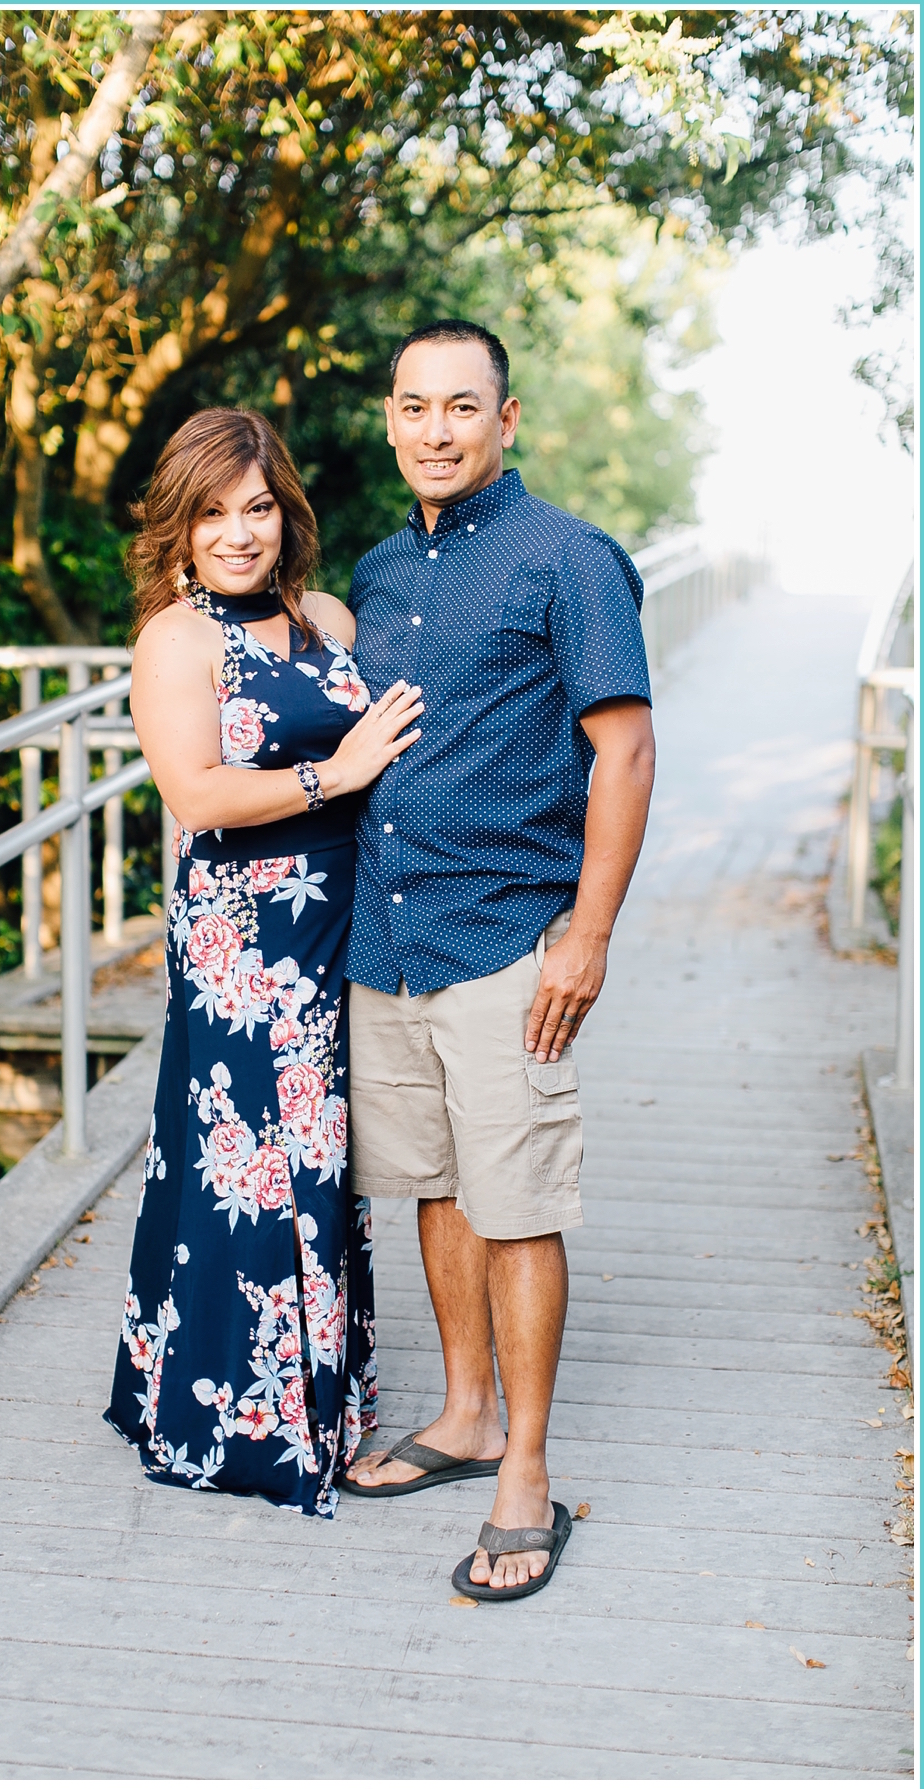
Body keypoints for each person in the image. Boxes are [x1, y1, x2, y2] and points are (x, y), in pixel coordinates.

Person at [340, 321, 656, 1601]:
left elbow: (624, 753)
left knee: (516, 1197)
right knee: (434, 1183)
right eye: (413, 406)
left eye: (459, 407)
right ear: (389, 417)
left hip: (501, 935)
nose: (434, 429)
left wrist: (584, 935)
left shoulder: (568, 561)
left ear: (505, 419)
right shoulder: (369, 572)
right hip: (385, 935)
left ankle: (523, 1465)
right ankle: (464, 1411)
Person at [103, 408, 423, 1518]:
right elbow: (195, 793)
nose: (237, 534)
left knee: (322, 1160)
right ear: (179, 531)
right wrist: (337, 773)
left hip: (346, 920)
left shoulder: (327, 616)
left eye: (256, 508)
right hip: (244, 940)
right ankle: (249, 1419)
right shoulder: (173, 641)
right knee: (253, 1166)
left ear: (286, 513)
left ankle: (318, 1391)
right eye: (211, 515)